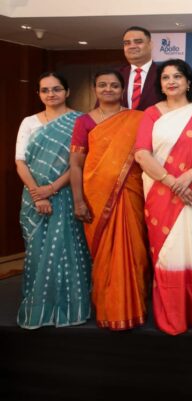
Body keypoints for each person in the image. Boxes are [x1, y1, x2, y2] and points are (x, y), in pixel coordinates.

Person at [133, 59, 192, 335]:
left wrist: (191, 174)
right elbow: (142, 154)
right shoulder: (151, 114)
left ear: (188, 82)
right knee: (168, 253)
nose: (171, 81)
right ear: (160, 85)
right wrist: (172, 182)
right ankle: (173, 314)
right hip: (161, 191)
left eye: (177, 76)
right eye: (166, 78)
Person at [69, 69, 149, 330]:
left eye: (114, 85)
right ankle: (108, 309)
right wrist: (78, 201)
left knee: (134, 252)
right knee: (104, 255)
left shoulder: (137, 119)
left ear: (122, 89)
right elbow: (76, 164)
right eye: (102, 85)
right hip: (96, 196)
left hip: (132, 193)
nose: (108, 89)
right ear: (95, 89)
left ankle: (134, 309)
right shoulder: (84, 122)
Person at [14, 72, 91, 329]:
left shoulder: (80, 120)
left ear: (67, 92)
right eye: (45, 90)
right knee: (37, 250)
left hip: (66, 193)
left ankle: (71, 306)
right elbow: (20, 162)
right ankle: (40, 305)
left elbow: (79, 163)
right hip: (33, 196)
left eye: (57, 89)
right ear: (38, 93)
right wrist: (37, 193)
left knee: (67, 249)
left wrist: (52, 188)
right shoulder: (29, 122)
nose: (51, 94)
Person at [120, 26, 159, 110]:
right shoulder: (116, 75)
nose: (132, 46)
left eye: (138, 42)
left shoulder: (164, 73)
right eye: (127, 43)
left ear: (150, 45)